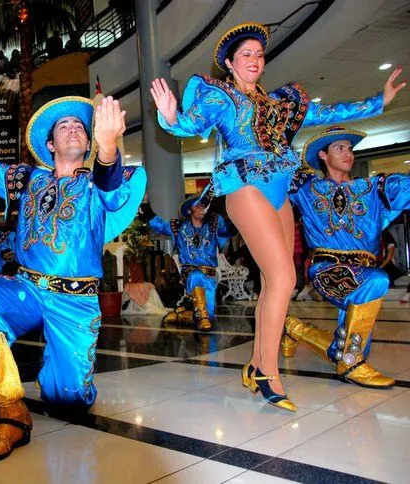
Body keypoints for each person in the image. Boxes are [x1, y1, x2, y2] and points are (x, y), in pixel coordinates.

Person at [150, 22, 405, 411]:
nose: (254, 60)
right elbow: (191, 124)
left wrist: (378, 102)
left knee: (280, 283)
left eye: (258, 54)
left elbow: (326, 112)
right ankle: (268, 372)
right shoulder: (223, 97)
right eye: (245, 55)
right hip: (245, 187)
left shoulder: (281, 105)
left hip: (278, 190)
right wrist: (171, 118)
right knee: (284, 277)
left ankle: (256, 365)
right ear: (231, 64)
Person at [0, 73, 146, 463]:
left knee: (66, 400)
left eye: (80, 127)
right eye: (64, 126)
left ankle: (58, 370)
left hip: (75, 304)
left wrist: (108, 151)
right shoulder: (24, 179)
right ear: (50, 143)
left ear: (88, 143)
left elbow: (112, 189)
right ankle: (11, 411)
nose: (73, 129)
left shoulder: (98, 184)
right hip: (27, 290)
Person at [282, 126, 410, 388]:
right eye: (340, 148)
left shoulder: (374, 188)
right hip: (326, 271)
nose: (348, 153)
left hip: (360, 273)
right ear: (323, 155)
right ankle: (351, 365)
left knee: (345, 344)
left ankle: (296, 329)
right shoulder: (307, 187)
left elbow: (404, 186)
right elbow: (270, 181)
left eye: (350, 149)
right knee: (377, 281)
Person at [146, 197, 232, 330]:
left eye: (202, 206)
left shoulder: (213, 226)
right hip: (190, 274)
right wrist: (147, 208)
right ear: (188, 211)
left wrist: (238, 216)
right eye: (196, 206)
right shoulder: (179, 227)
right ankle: (202, 318)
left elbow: (227, 231)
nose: (201, 208)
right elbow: (159, 225)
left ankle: (181, 314)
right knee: (196, 275)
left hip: (210, 276)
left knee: (209, 315)